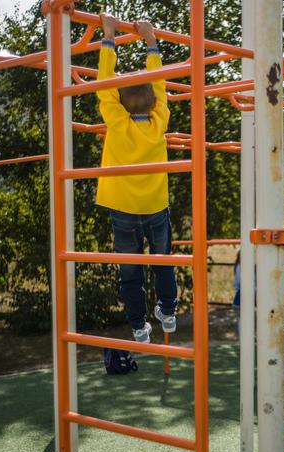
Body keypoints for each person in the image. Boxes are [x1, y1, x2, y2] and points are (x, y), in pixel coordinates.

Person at [96, 13, 176, 345]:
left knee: (130, 269)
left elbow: (104, 84)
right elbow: (159, 83)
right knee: (162, 262)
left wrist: (109, 35)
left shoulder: (117, 122)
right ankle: (168, 312)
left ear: (120, 103)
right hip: (156, 205)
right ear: (155, 104)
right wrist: (151, 40)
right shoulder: (160, 120)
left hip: (124, 207)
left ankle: (138, 326)